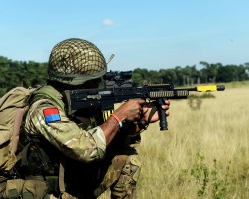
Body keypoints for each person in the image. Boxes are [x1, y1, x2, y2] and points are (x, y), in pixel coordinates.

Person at [19, 38, 170, 198]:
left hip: (69, 180)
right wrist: (119, 116)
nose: (97, 84)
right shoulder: (44, 109)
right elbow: (87, 149)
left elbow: (109, 139)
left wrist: (140, 123)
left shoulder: (80, 103)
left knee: (126, 158)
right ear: (74, 81)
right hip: (44, 191)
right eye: (92, 80)